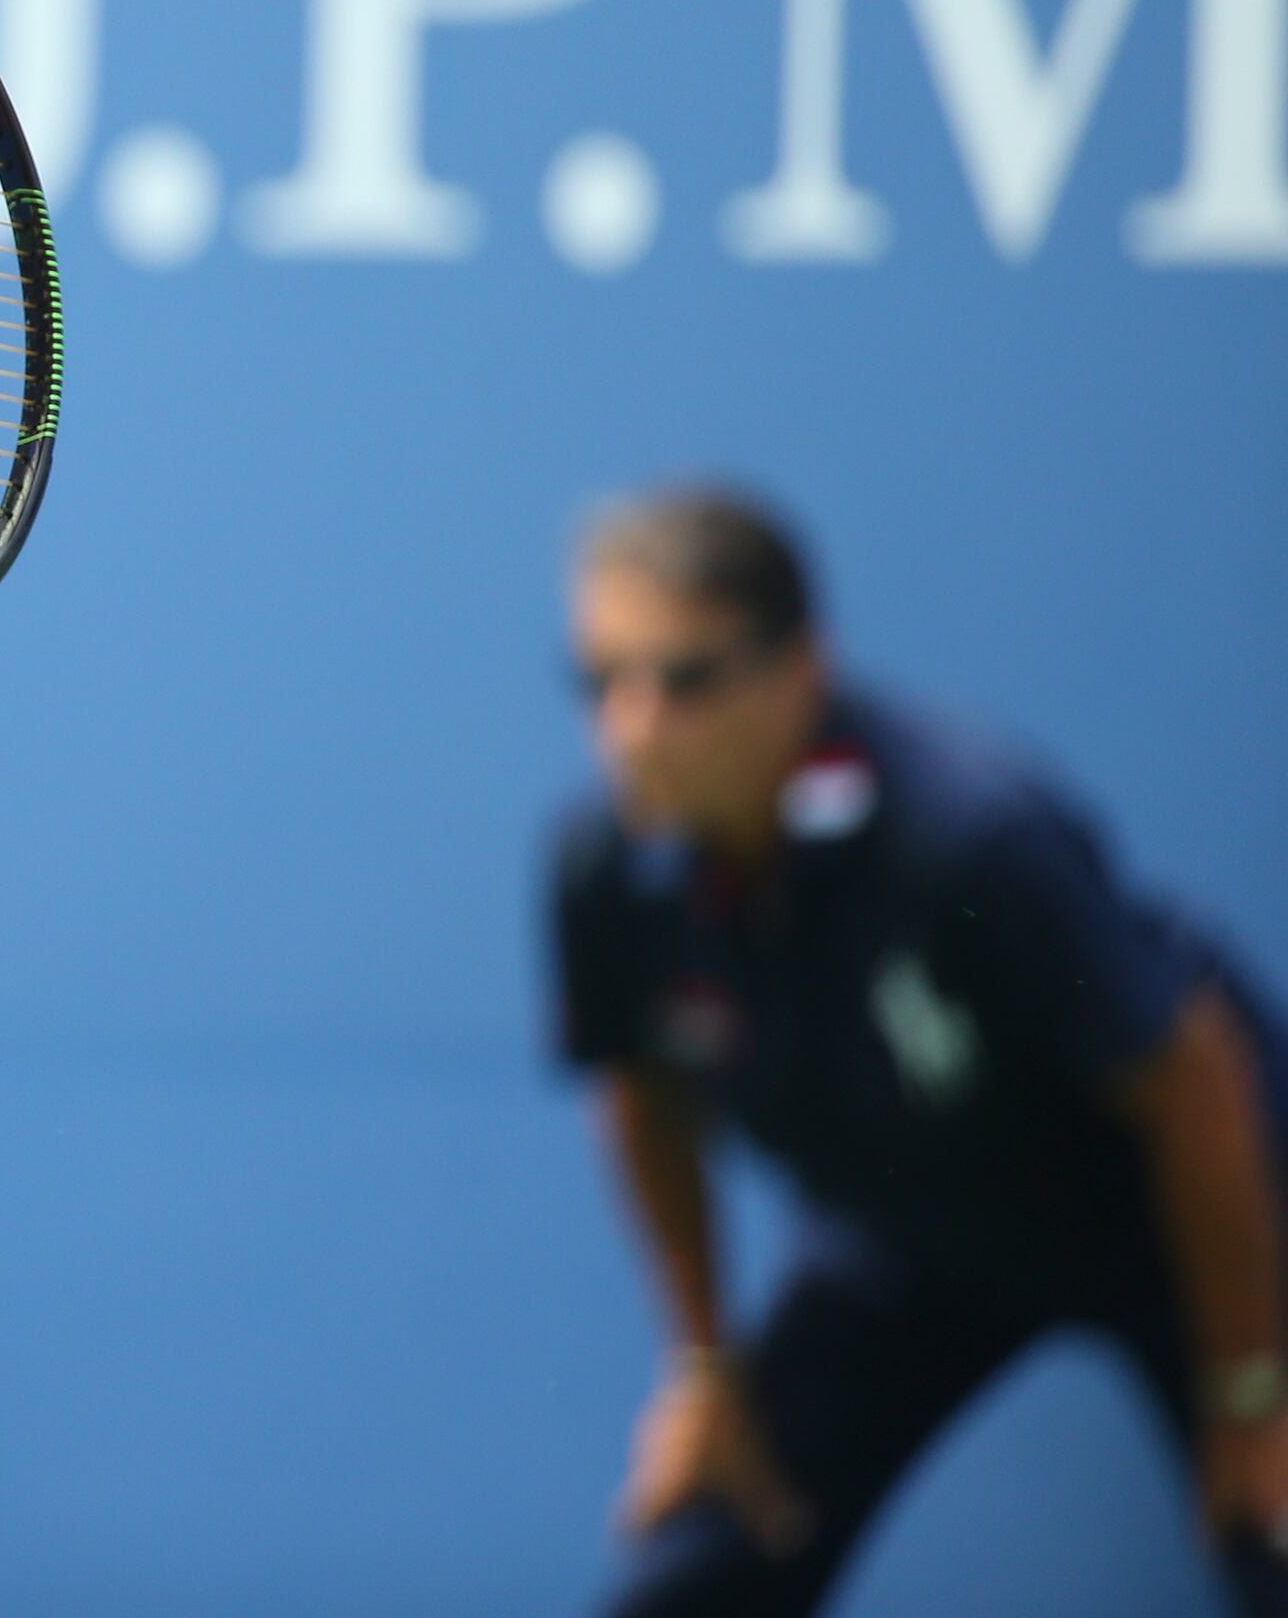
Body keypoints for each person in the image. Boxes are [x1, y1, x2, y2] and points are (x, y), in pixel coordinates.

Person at [548, 486, 1288, 1617]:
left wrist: (1254, 1394)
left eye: (685, 680)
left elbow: (1191, 1079)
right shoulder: (605, 873)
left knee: (1273, 1530)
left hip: (1164, 1217)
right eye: (602, 681)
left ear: (800, 667)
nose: (633, 726)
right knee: (700, 1569)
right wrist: (703, 1368)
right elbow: (643, 1101)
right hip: (905, 1241)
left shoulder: (965, 842)